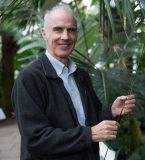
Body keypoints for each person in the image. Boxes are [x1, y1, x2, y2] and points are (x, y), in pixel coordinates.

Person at [11, 4, 135, 160]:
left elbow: (91, 119)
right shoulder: (29, 79)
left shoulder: (80, 75)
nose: (65, 36)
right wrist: (89, 134)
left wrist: (112, 111)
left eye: (71, 30)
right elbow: (36, 138)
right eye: (58, 29)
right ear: (44, 34)